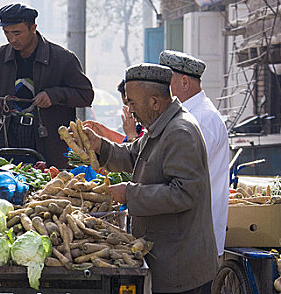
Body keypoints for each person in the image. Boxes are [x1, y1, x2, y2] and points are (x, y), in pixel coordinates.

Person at [84, 63, 218, 293]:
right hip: (166, 253)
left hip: (180, 262)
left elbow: (184, 193)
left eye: (132, 103)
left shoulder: (180, 132)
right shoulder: (161, 126)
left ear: (155, 102)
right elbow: (132, 154)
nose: (130, 110)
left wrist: (129, 193)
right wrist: (100, 146)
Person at [0, 3, 94, 167]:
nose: (12, 38)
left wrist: (53, 95)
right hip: (7, 140)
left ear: (33, 28)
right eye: (6, 32)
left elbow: (86, 95)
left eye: (17, 33)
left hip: (47, 143)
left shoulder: (62, 58)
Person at [159, 51, 229, 257]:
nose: (162, 90)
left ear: (184, 82)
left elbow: (181, 175)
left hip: (197, 234)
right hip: (187, 231)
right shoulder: (186, 115)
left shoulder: (203, 119)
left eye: (166, 83)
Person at [84, 79, 143, 144]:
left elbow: (136, 152)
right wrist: (106, 133)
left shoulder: (150, 130)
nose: (130, 110)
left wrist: (132, 134)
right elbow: (124, 145)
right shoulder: (139, 127)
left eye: (132, 103)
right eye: (127, 105)